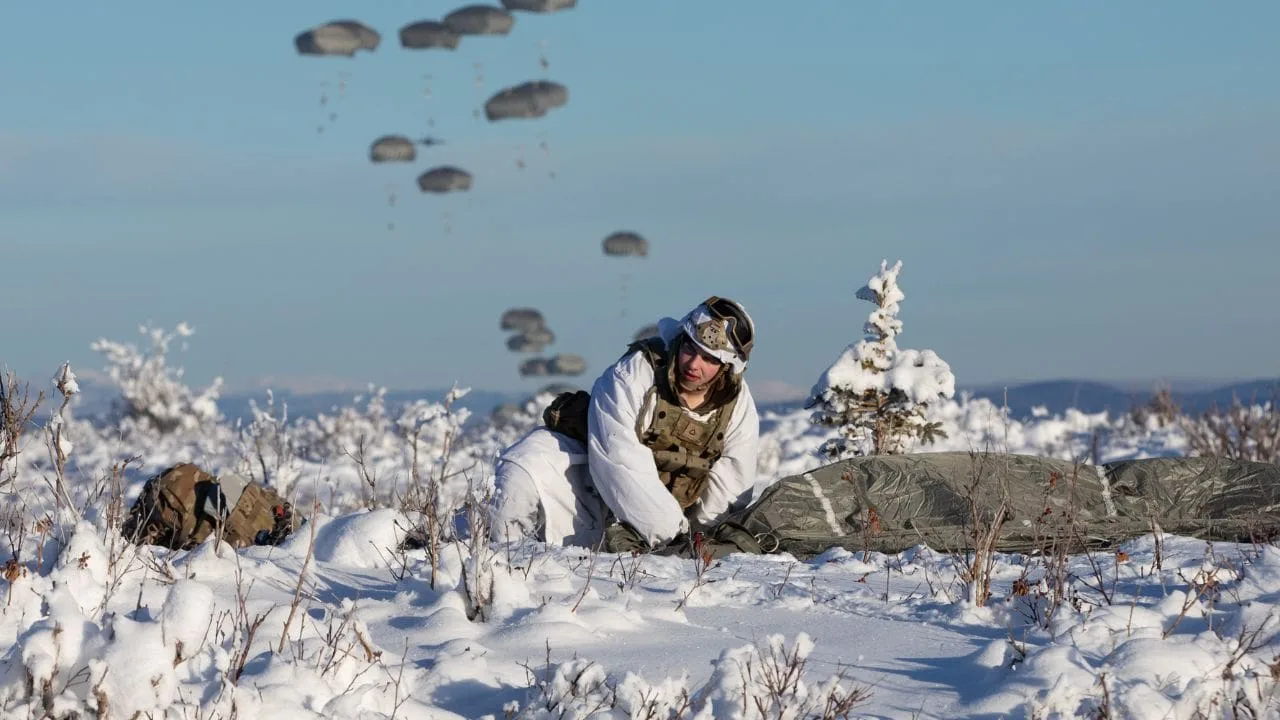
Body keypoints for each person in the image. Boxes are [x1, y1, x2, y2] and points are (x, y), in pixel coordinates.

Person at [491, 296, 760, 553]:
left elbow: (733, 481)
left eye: (709, 359)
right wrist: (671, 537)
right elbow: (620, 461)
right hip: (597, 494)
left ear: (727, 367)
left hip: (680, 526)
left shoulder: (737, 403)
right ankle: (507, 560)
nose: (693, 364)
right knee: (524, 463)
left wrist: (698, 542)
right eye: (690, 348)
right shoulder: (633, 374)